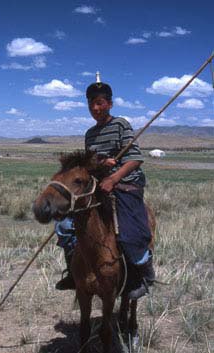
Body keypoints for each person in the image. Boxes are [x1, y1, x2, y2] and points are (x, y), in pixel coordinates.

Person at [55, 80, 155, 300]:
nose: (95, 109)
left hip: (126, 184)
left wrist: (114, 177)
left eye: (100, 103)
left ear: (109, 103)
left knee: (132, 230)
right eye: (91, 104)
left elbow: (135, 159)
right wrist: (99, 166)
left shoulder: (121, 125)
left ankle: (143, 275)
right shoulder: (89, 134)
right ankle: (74, 272)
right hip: (98, 187)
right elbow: (88, 165)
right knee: (64, 224)